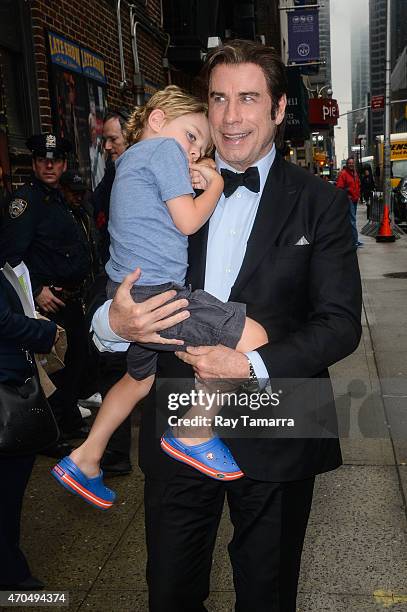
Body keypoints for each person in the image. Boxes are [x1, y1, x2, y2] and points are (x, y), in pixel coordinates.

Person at [91, 40, 362, 611]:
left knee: (267, 592)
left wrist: (248, 364)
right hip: (174, 413)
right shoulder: (168, 183)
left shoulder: (320, 202)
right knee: (169, 589)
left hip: (279, 412)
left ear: (279, 108)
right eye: (218, 99)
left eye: (247, 99)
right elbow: (121, 276)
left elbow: (339, 325)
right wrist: (113, 321)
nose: (231, 117)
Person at [51, 85, 269, 507]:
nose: (191, 153)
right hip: (160, 295)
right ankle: (194, 431)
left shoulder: (127, 162)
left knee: (138, 379)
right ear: (156, 120)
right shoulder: (163, 153)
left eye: (200, 147)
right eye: (191, 137)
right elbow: (187, 222)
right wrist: (216, 183)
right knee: (254, 338)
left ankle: (86, 456)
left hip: (130, 288)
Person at [0, 134, 92, 458]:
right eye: (42, 160)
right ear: (34, 163)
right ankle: (49, 434)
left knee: (74, 361)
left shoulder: (60, 199)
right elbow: (11, 255)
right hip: (46, 299)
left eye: (55, 160)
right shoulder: (25, 202)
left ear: (64, 164)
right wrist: (36, 290)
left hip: (70, 297)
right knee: (51, 369)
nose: (49, 165)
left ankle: (67, 421)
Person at [0, 272, 57, 590]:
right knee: (8, 488)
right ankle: (10, 572)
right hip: (5, 382)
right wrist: (45, 330)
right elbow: (4, 322)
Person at [336, 156, 362, 247]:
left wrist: (358, 196)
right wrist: (347, 195)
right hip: (349, 199)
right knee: (352, 220)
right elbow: (339, 187)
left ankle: (351, 240)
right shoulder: (343, 174)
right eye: (349, 163)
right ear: (347, 164)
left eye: (352, 163)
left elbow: (358, 184)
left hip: (354, 199)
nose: (351, 164)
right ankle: (355, 240)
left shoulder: (354, 173)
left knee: (351, 220)